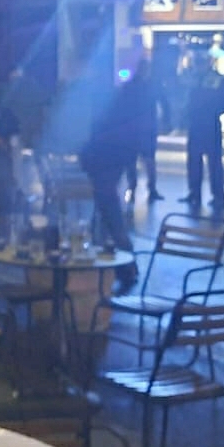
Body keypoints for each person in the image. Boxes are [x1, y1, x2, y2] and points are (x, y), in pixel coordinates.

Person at [80, 73, 141, 293]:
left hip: (103, 165)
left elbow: (96, 141)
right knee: (109, 217)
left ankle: (123, 267)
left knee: (110, 218)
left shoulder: (104, 116)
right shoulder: (118, 114)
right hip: (107, 165)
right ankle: (123, 267)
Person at [178, 46, 224, 211]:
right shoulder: (193, 79)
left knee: (214, 163)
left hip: (210, 124)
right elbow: (186, 97)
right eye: (197, 62)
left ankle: (218, 196)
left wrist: (211, 111)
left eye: (201, 62)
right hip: (195, 125)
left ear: (208, 63)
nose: (198, 65)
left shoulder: (218, 80)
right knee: (193, 161)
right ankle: (194, 193)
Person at [0, 65, 51, 197]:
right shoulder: (35, 87)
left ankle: (20, 189)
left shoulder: (12, 90)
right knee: (38, 160)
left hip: (19, 132)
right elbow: (45, 104)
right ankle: (47, 184)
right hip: (35, 132)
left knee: (18, 161)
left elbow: (5, 110)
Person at [119, 59, 163, 203]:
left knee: (132, 161)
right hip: (146, 128)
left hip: (134, 129)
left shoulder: (129, 86)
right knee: (147, 160)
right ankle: (150, 189)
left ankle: (133, 187)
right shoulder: (152, 86)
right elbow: (161, 103)